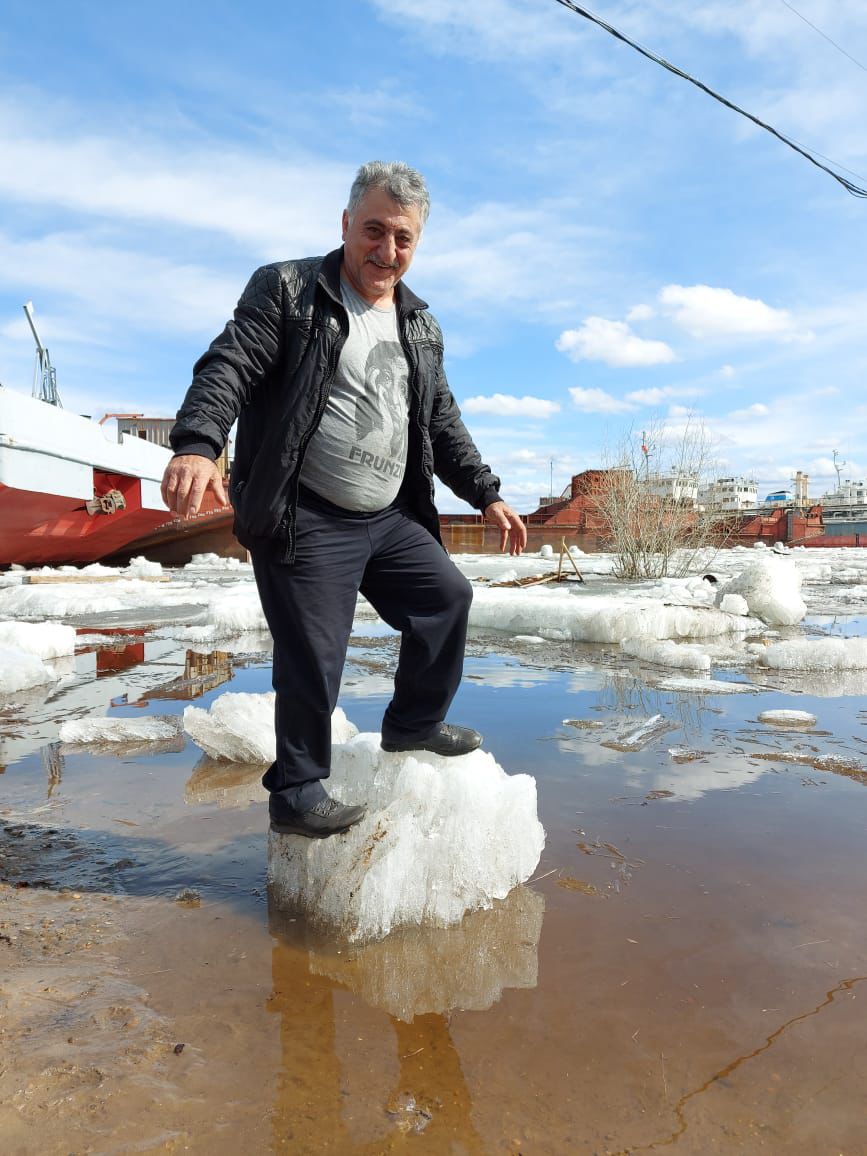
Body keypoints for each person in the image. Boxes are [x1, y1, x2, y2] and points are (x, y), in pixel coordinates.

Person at [161, 161, 526, 839]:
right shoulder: (289, 289)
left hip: (388, 513)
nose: (387, 252)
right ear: (345, 225)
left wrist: (486, 493)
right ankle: (296, 792)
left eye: (404, 239)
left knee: (445, 598)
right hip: (307, 510)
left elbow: (439, 420)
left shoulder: (421, 324)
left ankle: (413, 724)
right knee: (313, 652)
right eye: (374, 231)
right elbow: (230, 363)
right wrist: (197, 442)